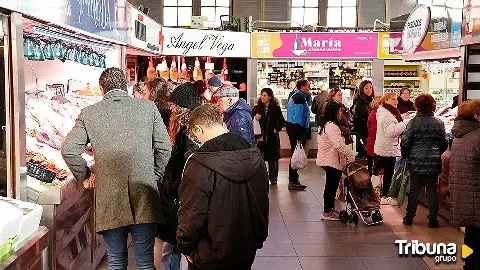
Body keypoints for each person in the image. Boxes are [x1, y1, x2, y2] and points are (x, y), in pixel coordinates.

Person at [61, 68, 171, 269]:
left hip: (109, 197)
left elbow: (68, 150)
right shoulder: (149, 108)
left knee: (116, 261)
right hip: (144, 194)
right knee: (145, 262)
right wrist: (153, 175)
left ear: (102, 89)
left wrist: (85, 174)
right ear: (125, 86)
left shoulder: (89, 113)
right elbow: (164, 147)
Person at [177, 104, 269, 270]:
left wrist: (186, 247)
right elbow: (263, 200)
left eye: (194, 135)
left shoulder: (198, 163)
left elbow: (191, 212)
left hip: (208, 253)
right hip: (247, 247)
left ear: (198, 129)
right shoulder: (254, 154)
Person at [159, 83, 203, 270]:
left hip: (180, 201)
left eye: (174, 105)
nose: (171, 109)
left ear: (181, 108)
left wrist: (168, 187)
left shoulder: (186, 137)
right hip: (182, 200)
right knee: (176, 248)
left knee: (174, 248)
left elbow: (184, 171)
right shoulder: (188, 131)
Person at [401, 94, 447, 228]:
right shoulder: (439, 122)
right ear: (432, 105)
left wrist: (406, 154)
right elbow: (443, 143)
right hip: (433, 160)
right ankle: (433, 219)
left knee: (414, 189)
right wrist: (436, 152)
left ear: (417, 106)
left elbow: (405, 141)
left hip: (416, 159)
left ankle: (409, 217)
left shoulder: (413, 122)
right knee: (432, 189)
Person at [449, 99, 480, 270]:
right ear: (476, 115)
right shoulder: (477, 136)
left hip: (464, 195)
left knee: (470, 236)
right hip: (476, 193)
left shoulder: (460, 135)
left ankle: (468, 265)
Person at [316, 102, 355, 220]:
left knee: (331, 186)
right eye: (339, 111)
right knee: (331, 186)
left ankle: (330, 208)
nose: (341, 113)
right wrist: (351, 155)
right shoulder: (332, 126)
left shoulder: (325, 125)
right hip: (331, 160)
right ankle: (327, 211)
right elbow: (339, 145)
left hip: (328, 159)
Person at [373, 92, 408, 205]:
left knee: (383, 171)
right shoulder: (386, 114)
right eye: (393, 99)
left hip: (386, 147)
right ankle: (385, 196)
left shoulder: (387, 112)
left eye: (396, 99)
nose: (396, 101)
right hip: (387, 148)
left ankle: (382, 194)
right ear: (386, 101)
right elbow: (391, 132)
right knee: (387, 173)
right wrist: (404, 123)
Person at [252, 88, 286, 185]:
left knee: (273, 159)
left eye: (265, 95)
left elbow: (282, 121)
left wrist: (276, 129)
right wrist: (255, 117)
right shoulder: (257, 108)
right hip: (260, 137)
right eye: (262, 95)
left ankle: (273, 178)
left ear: (270, 97)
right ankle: (262, 177)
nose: (262, 97)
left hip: (272, 137)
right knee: (260, 158)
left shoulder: (275, 108)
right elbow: (251, 119)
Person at [286, 79, 311, 191]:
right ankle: (293, 181)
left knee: (294, 154)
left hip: (294, 128)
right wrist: (300, 135)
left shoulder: (298, 96)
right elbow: (298, 117)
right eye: (308, 86)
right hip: (296, 129)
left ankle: (294, 180)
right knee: (294, 154)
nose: (309, 88)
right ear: (302, 87)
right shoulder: (299, 98)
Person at [352, 80, 375, 157]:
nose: (369, 90)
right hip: (363, 134)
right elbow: (367, 118)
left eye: (370, 87)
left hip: (366, 133)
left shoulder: (369, 101)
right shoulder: (360, 102)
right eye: (366, 88)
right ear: (362, 89)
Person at [366, 97, 383, 176]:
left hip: (373, 142)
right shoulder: (375, 114)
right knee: (375, 169)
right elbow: (374, 130)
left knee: (373, 166)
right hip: (374, 143)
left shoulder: (374, 113)